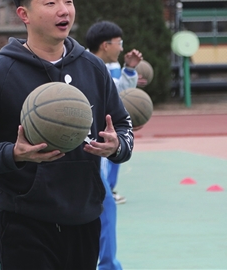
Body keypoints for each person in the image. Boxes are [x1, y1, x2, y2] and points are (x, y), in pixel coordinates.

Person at [0, 0, 134, 270]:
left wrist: (116, 146)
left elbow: (124, 128)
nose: (64, 10)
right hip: (22, 219)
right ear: (23, 14)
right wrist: (13, 153)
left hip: (84, 217)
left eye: (68, 0)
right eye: (50, 2)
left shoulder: (93, 68)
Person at [86, 20, 144, 270]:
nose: (121, 48)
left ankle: (108, 264)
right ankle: (108, 265)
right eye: (119, 43)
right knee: (104, 208)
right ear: (105, 44)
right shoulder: (84, 68)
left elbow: (119, 96)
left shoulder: (104, 68)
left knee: (104, 205)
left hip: (99, 149)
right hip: (84, 152)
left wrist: (129, 69)